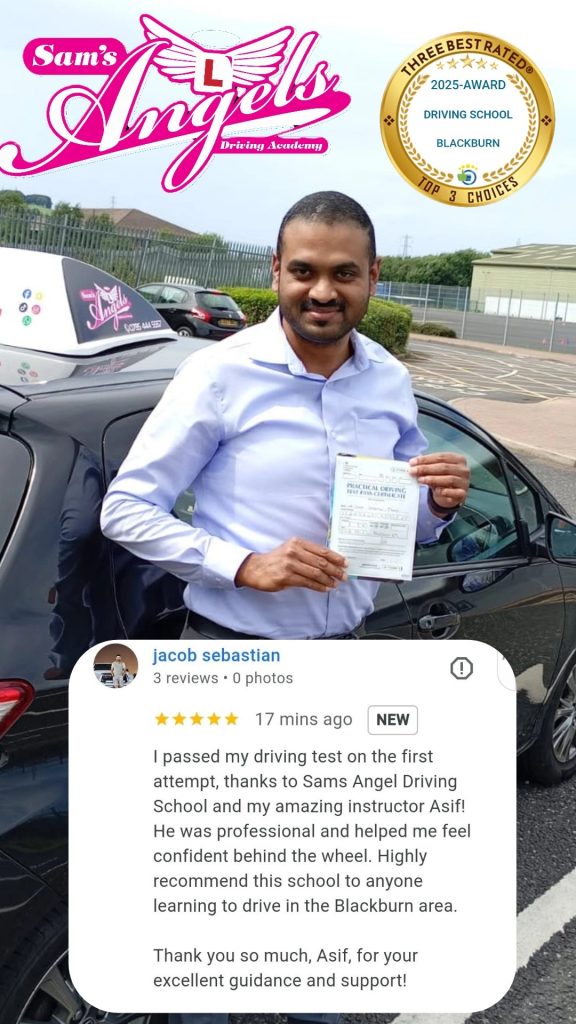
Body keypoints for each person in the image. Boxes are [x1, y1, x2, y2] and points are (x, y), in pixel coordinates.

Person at [101, 191, 469, 1024]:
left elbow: (400, 515)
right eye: (304, 270)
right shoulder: (219, 373)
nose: (322, 291)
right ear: (275, 272)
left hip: (341, 670)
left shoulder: (389, 380)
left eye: (344, 273)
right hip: (226, 665)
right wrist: (243, 564)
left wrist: (439, 505)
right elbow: (125, 511)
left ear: (373, 277)